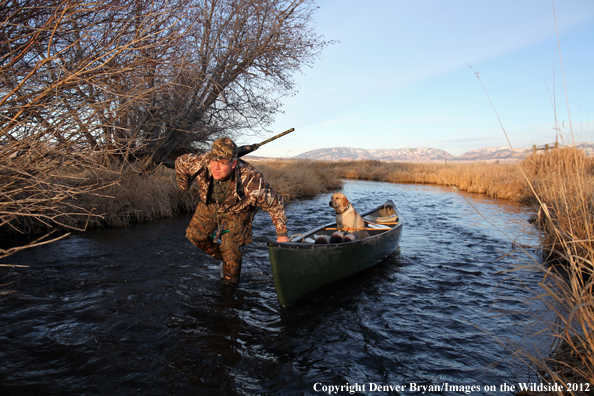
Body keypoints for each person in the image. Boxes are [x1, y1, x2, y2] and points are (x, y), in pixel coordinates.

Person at [175, 137, 290, 285]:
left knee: (230, 248)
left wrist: (281, 234)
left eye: (222, 163)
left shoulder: (251, 180)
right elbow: (180, 162)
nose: (215, 167)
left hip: (239, 210)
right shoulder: (199, 162)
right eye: (213, 161)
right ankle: (226, 259)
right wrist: (184, 185)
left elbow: (276, 203)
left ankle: (230, 288)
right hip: (211, 203)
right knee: (195, 236)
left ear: (234, 163)